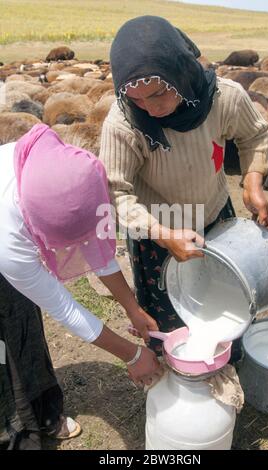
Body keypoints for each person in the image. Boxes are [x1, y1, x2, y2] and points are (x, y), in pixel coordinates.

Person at [99, 16, 268, 356]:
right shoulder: (123, 123)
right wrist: (163, 234)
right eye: (138, 100)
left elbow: (254, 135)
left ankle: (225, 360)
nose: (151, 108)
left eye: (159, 93)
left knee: (227, 297)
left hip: (214, 214)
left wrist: (253, 180)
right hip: (158, 227)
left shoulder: (225, 97)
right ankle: (178, 374)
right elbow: (114, 192)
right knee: (172, 318)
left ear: (180, 70)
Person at [0, 123, 163, 450]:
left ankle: (43, 409)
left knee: (23, 325)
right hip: (5, 246)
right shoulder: (10, 240)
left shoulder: (68, 173)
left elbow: (95, 245)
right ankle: (14, 430)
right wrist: (132, 356)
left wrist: (133, 309)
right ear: (39, 228)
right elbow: (63, 308)